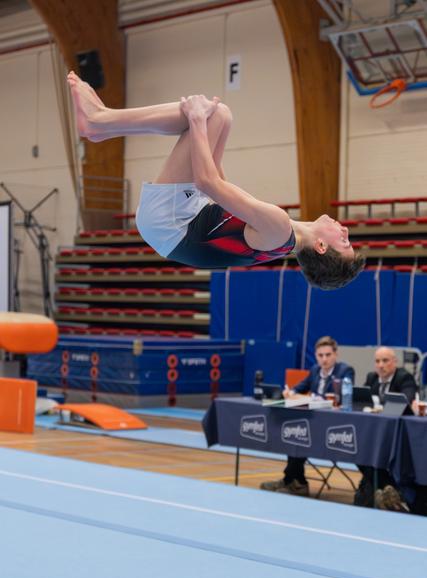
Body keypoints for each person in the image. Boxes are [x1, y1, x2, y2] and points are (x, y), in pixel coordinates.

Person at [67, 71, 365, 289]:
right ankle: (101, 126)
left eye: (345, 240)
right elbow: (220, 184)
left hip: (172, 224)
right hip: (184, 223)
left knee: (210, 115)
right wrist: (211, 137)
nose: (345, 230)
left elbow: (207, 183)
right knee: (222, 116)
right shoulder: (280, 238)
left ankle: (99, 121)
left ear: (322, 247)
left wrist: (197, 121)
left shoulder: (279, 228)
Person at [260, 336, 354, 496]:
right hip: (313, 422)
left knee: (300, 434)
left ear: (336, 355)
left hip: (333, 426)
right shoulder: (315, 370)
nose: (324, 359)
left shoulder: (345, 370)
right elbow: (300, 387)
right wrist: (291, 392)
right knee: (294, 432)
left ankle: (293, 482)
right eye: (320, 355)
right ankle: (295, 481)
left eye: (328, 355)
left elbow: (342, 397)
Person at [354, 346, 417, 510]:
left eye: (385, 360)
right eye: (377, 361)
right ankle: (389, 490)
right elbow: (361, 401)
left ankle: (386, 490)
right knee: (356, 448)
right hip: (375, 431)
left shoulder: (404, 378)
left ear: (395, 362)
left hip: (399, 434)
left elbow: (406, 400)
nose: (381, 365)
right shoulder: (372, 378)